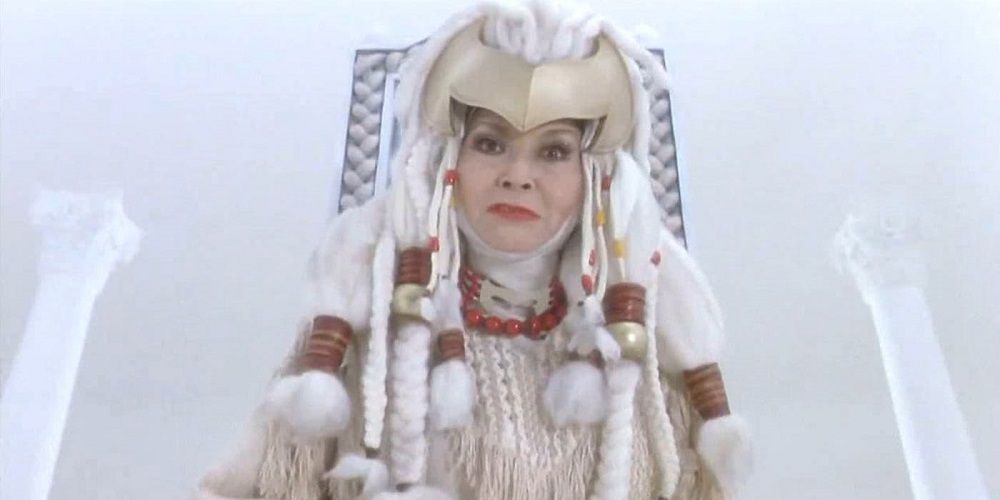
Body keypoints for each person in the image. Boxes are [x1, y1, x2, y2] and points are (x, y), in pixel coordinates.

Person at [195, 1, 750, 499]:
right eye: (490, 143)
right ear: (447, 162)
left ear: (596, 177)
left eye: (554, 152)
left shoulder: (646, 354)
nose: (518, 175)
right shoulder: (368, 333)